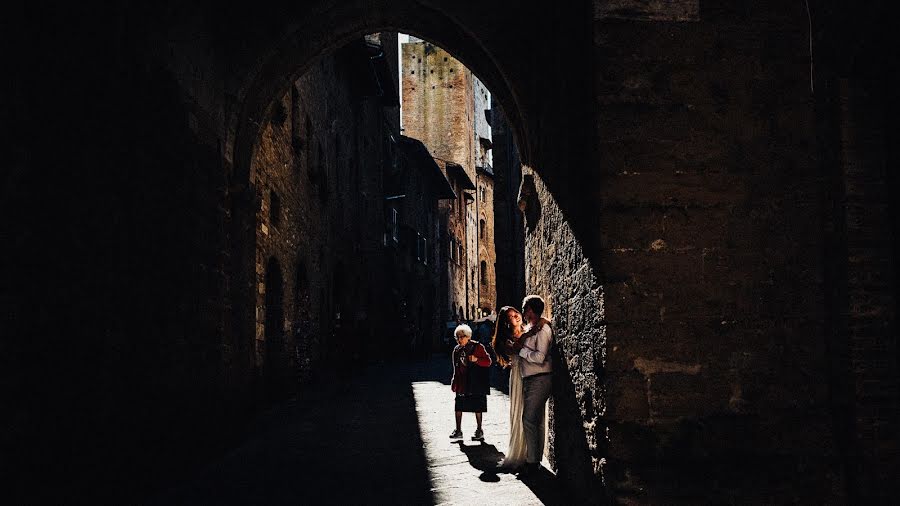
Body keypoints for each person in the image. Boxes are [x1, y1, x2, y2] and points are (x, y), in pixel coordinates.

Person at [509, 295, 553, 476]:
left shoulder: (543, 330)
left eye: (525, 309)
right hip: (532, 378)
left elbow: (540, 357)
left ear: (531, 310)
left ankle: (532, 461)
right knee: (537, 420)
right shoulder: (533, 328)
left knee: (528, 419)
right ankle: (535, 459)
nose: (524, 313)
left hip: (540, 377)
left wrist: (522, 351)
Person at [491, 306, 526, 470]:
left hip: (531, 374)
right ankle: (520, 452)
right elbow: (518, 349)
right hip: (519, 377)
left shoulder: (526, 330)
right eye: (511, 316)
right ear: (506, 322)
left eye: (516, 313)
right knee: (520, 411)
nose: (516, 316)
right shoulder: (507, 340)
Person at [449, 324, 492, 441]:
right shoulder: (456, 350)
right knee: (458, 406)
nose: (459, 339)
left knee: (477, 406)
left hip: (475, 381)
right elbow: (456, 367)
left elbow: (488, 361)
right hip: (462, 382)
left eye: (462, 337)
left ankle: (479, 430)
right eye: (457, 337)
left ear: (468, 336)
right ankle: (458, 430)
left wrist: (477, 359)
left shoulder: (477, 347)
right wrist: (454, 380)